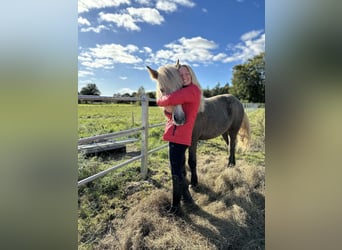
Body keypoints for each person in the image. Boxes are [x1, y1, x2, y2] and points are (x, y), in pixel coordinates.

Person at [157, 64, 202, 215]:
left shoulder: (192, 90)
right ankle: (187, 199)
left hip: (179, 139)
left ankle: (176, 207)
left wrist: (158, 100)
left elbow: (170, 99)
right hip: (176, 136)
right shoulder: (184, 91)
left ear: (192, 74)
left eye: (186, 73)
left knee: (175, 172)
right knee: (180, 170)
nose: (184, 77)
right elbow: (172, 114)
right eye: (181, 75)